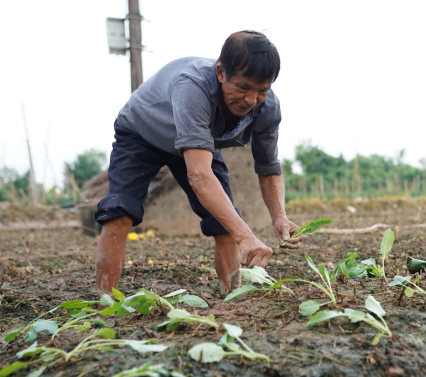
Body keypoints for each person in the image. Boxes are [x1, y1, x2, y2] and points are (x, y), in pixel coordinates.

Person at [94, 30, 301, 299]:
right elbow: (199, 175)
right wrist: (246, 235)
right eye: (243, 87)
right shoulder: (193, 87)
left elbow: (269, 168)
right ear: (220, 72)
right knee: (120, 213)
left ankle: (231, 297)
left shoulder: (267, 107)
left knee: (225, 221)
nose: (251, 100)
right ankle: (105, 304)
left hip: (200, 142)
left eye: (262, 90)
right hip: (143, 132)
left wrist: (279, 216)